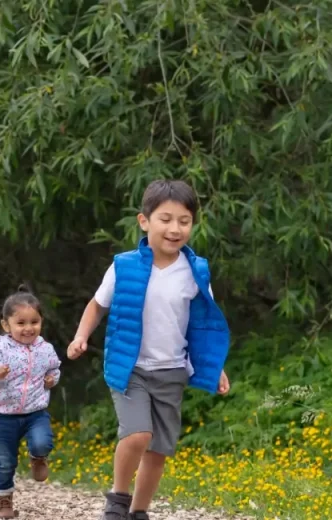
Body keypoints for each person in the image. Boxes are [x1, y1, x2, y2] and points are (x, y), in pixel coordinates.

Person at [66, 179, 232, 520]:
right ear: (145, 221)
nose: (175, 229)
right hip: (129, 366)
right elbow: (97, 305)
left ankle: (139, 511)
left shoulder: (195, 271)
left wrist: (215, 366)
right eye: (165, 219)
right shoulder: (124, 266)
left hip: (172, 370)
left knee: (159, 449)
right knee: (139, 434)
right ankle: (118, 499)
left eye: (184, 221)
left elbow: (204, 325)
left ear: (192, 224)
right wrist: (81, 336)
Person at [0, 285, 61, 519]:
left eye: (34, 322)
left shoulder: (45, 349)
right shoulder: (0, 350)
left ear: (41, 322)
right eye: (21, 323)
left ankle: (38, 457)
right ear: (6, 325)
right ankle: (4, 501)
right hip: (5, 415)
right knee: (5, 462)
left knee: (42, 442)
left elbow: (55, 367)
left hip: (36, 412)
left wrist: (52, 379)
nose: (28, 328)